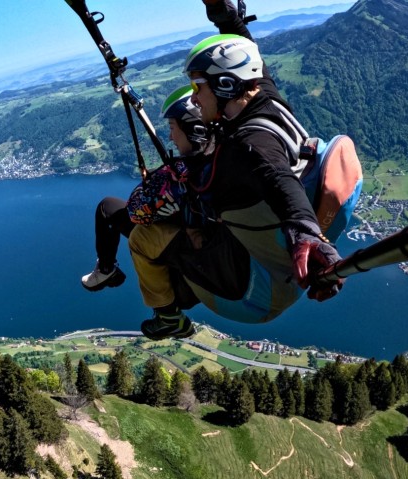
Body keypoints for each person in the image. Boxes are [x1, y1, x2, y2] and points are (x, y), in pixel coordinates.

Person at [126, 0, 345, 339]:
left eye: (198, 87)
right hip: (276, 266)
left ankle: (169, 315)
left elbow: (277, 179)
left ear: (226, 86)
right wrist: (224, 15)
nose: (195, 100)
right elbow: (247, 51)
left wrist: (304, 232)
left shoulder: (245, 147)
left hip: (250, 292)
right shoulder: (266, 100)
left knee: (142, 238)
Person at [80, 86, 211, 292]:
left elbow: (136, 211)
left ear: (194, 131)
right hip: (210, 241)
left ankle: (106, 269)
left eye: (172, 127)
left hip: (187, 249)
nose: (170, 137)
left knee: (106, 207)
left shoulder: (180, 176)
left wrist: (152, 183)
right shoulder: (220, 155)